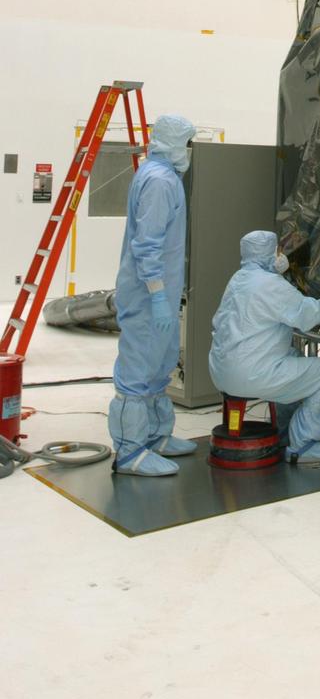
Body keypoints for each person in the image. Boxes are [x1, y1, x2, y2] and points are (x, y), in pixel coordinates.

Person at [108, 113, 197, 476]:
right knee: (138, 370)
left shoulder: (164, 176)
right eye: (188, 142)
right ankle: (130, 452)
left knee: (159, 366)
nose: (189, 150)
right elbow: (147, 246)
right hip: (147, 295)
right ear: (174, 142)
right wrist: (159, 296)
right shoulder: (160, 181)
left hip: (159, 293)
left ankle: (157, 435)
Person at [209, 231, 320, 464]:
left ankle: (285, 432)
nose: (280, 256)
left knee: (292, 357)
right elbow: (310, 315)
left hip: (221, 372)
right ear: (266, 253)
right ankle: (304, 445)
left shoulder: (239, 279)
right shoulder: (271, 284)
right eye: (277, 251)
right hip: (252, 375)